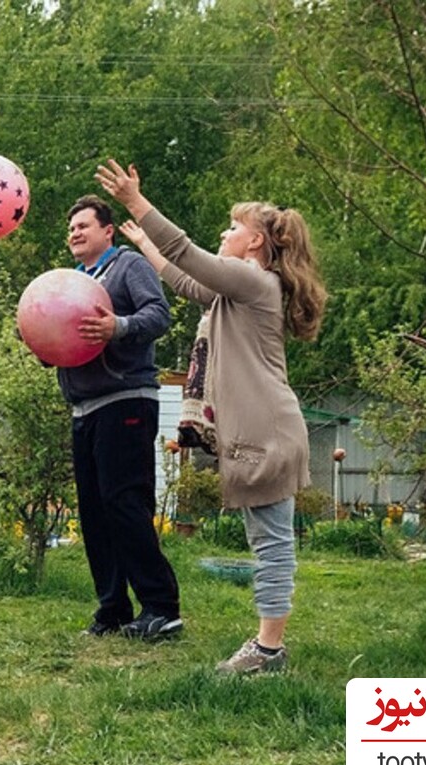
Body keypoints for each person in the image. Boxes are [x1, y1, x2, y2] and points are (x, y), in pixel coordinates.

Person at [97, 159, 326, 674]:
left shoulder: (252, 280)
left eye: (233, 227)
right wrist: (145, 244)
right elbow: (185, 279)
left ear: (255, 245)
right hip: (264, 426)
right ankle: (268, 645)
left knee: (271, 543)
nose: (224, 232)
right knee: (267, 539)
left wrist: (137, 201)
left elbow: (188, 255)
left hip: (265, 430)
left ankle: (268, 650)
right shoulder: (238, 291)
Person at [56, 194, 183, 641]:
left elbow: (159, 315)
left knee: (124, 502)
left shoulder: (128, 267)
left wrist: (118, 327)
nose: (74, 232)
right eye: (70, 228)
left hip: (126, 399)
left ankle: (161, 608)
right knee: (94, 511)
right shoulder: (71, 280)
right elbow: (64, 339)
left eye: (83, 226)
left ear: (107, 231)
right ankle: (112, 608)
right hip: (83, 406)